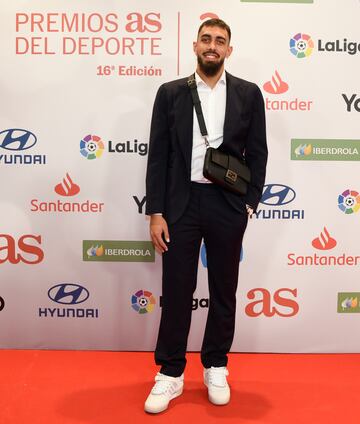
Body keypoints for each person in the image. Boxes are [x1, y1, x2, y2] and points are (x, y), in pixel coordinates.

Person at [144, 18, 267, 414]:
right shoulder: (170, 94)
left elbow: (258, 153)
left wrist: (248, 202)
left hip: (227, 204)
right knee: (177, 290)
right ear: (195, 46)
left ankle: (216, 365)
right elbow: (158, 156)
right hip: (180, 204)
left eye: (221, 41)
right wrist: (156, 212)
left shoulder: (249, 94)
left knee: (223, 290)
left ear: (229, 50)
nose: (213, 46)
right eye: (207, 39)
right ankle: (171, 373)